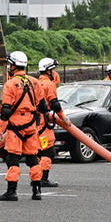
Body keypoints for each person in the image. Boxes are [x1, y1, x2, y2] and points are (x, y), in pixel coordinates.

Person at [0, 51, 48, 201]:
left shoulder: (10, 84)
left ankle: (12, 192)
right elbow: (43, 106)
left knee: (13, 159)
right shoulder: (35, 82)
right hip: (31, 127)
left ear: (12, 66)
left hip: (15, 127)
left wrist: (0, 132)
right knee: (33, 158)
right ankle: (37, 191)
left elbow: (5, 111)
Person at [38, 58, 71, 187]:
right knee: (48, 151)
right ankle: (43, 179)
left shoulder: (35, 83)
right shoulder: (48, 84)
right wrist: (64, 118)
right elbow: (55, 104)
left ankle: (36, 178)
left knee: (37, 151)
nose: (55, 72)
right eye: (53, 69)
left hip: (33, 122)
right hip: (43, 123)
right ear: (48, 70)